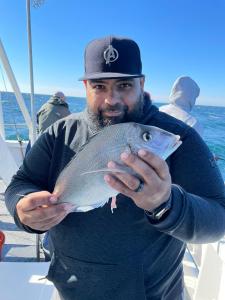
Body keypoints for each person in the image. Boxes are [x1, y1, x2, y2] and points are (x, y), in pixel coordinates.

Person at [4, 36, 225, 300]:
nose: (112, 99)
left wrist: (166, 203)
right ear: (86, 86)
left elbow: (219, 216)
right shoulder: (59, 133)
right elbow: (21, 183)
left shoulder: (174, 138)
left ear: (141, 83)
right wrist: (22, 209)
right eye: (99, 86)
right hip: (68, 290)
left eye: (124, 85)